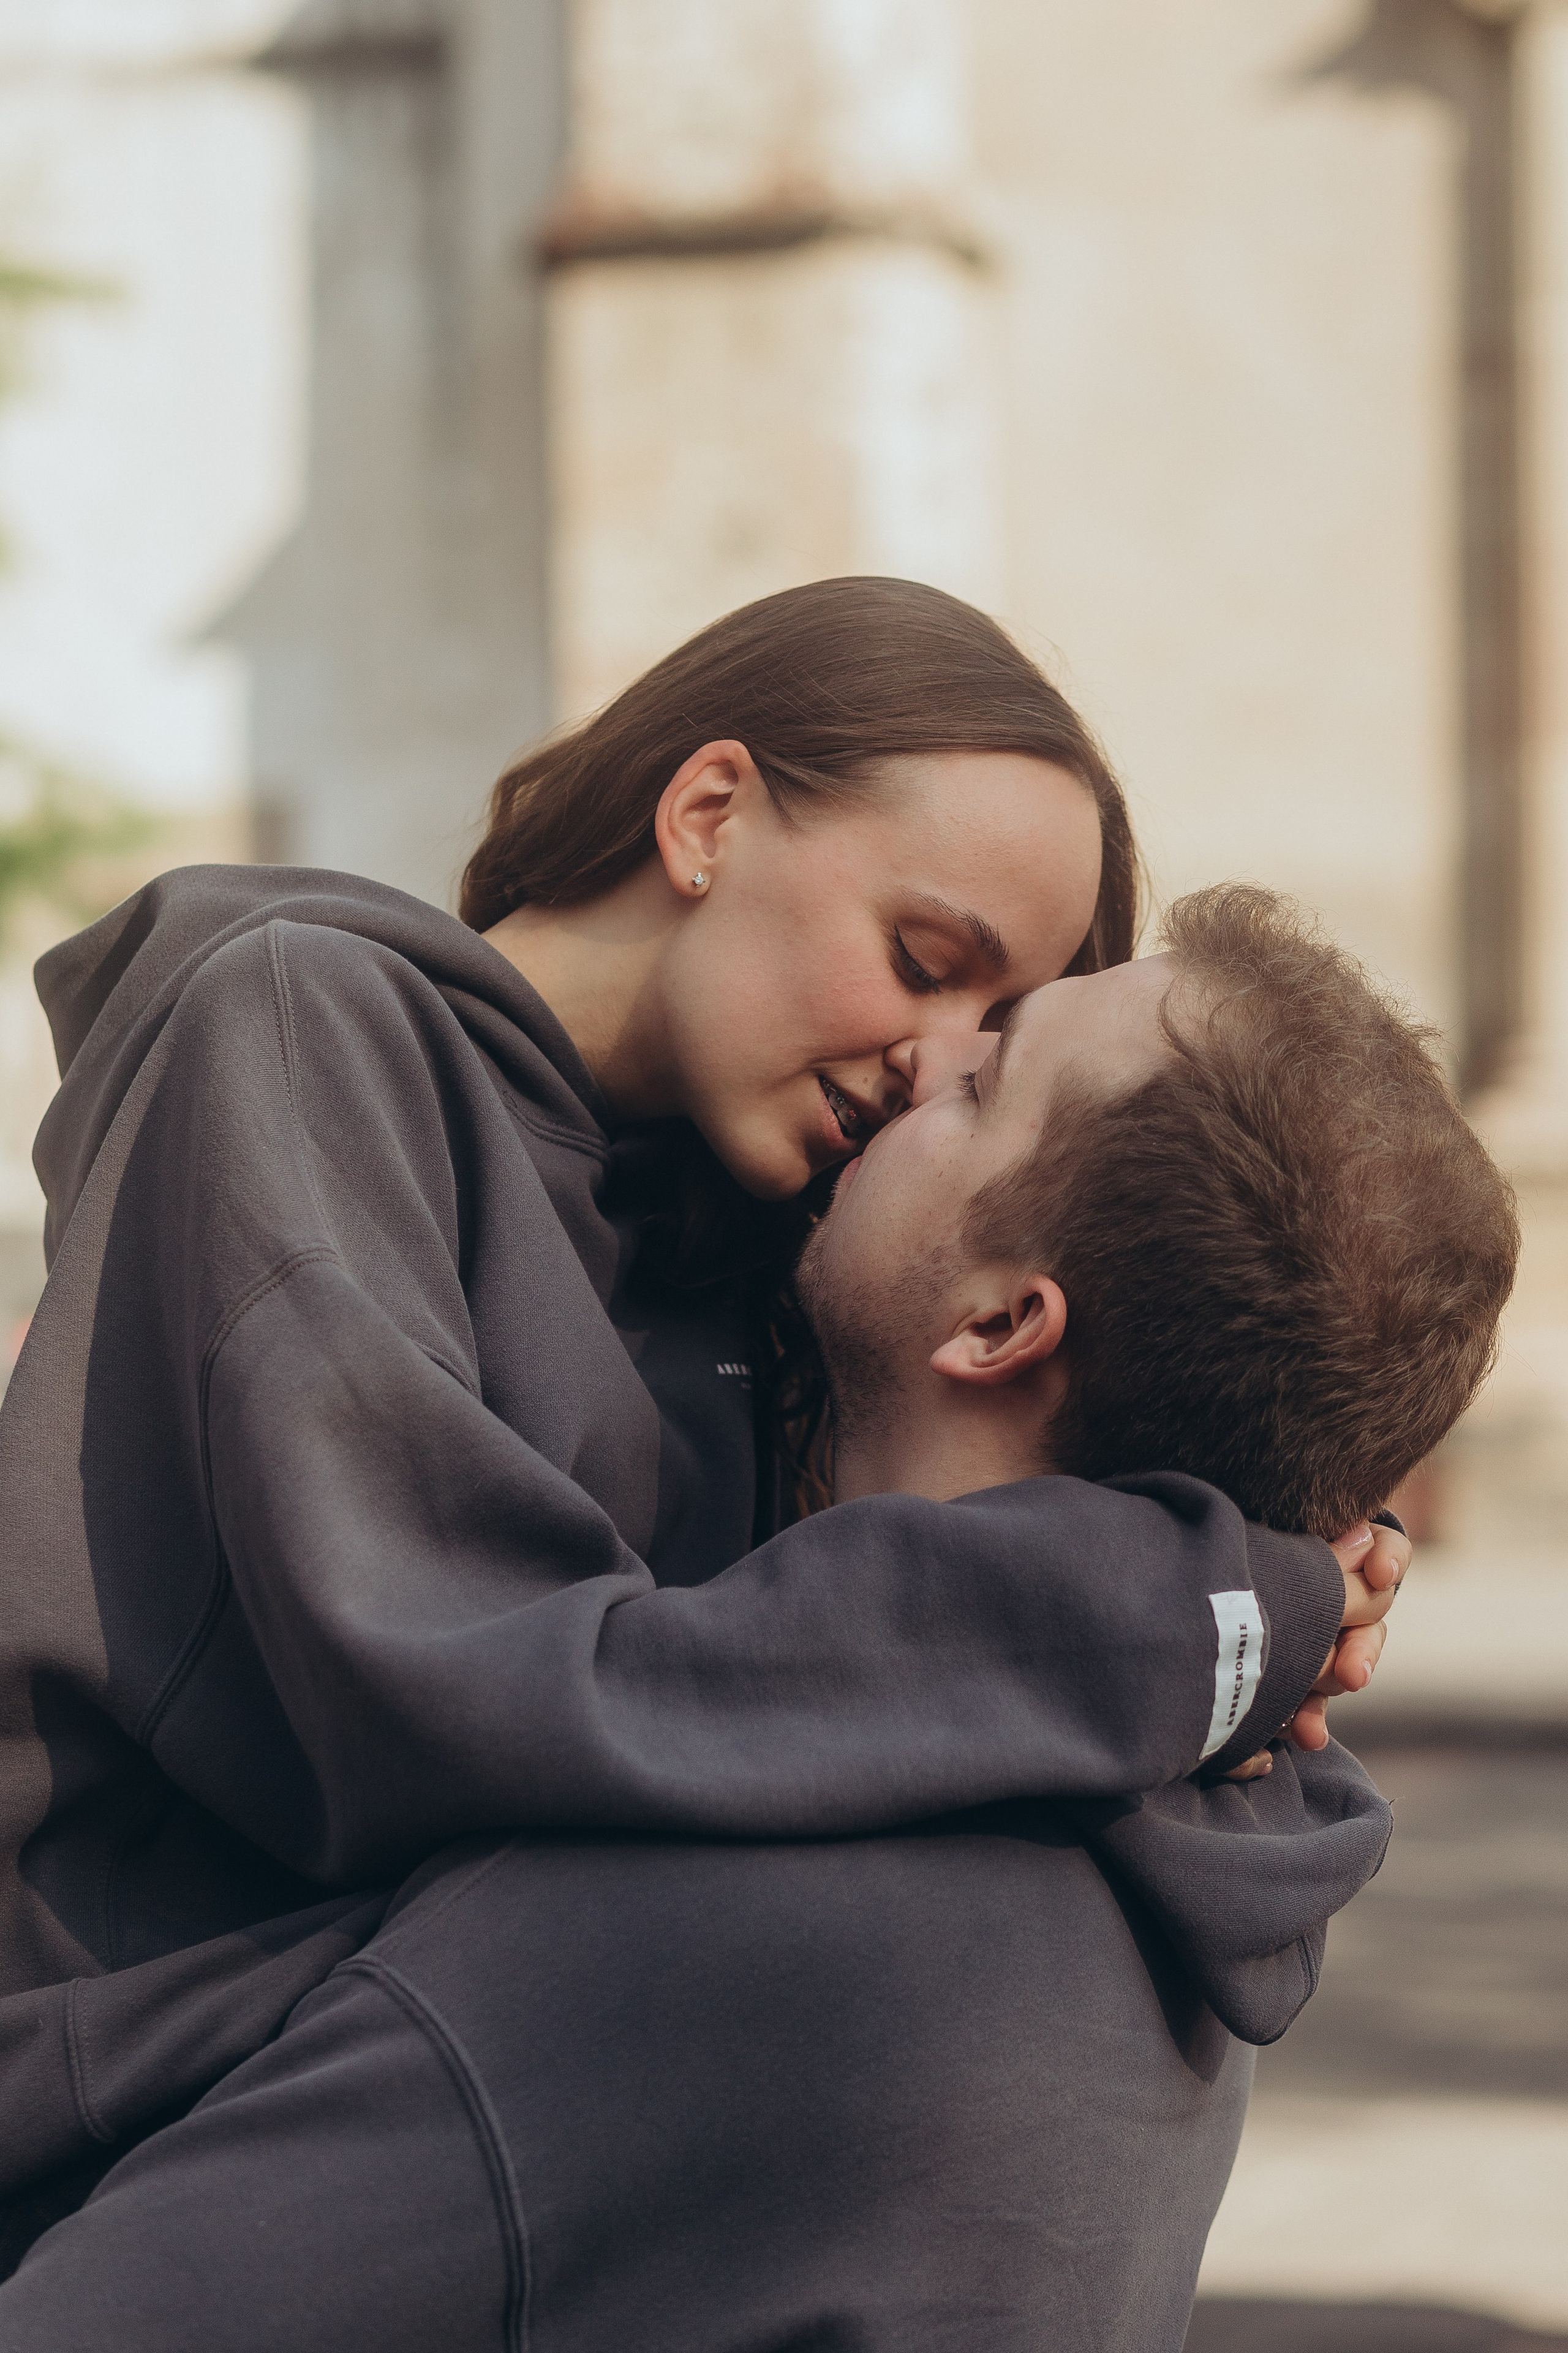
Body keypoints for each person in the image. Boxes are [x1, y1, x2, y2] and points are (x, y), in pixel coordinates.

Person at [0, 583, 1401, 2254]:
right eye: (924, 960)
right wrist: (1191, 1605)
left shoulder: (756, 1235)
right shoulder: (299, 1028)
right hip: (147, 2145)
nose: (931, 1064)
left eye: (993, 1033)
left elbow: (872, 1688)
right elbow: (448, 1690)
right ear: (711, 814)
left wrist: (1273, 1579)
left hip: (480, 2132)